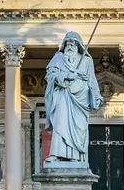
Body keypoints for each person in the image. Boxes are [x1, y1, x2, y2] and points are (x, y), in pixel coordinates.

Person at [44, 32, 103, 162]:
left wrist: (97, 96)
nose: (70, 46)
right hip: (63, 95)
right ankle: (55, 154)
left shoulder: (87, 60)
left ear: (78, 45)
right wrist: (67, 76)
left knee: (78, 128)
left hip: (81, 98)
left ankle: (75, 157)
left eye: (74, 43)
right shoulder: (58, 59)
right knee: (60, 122)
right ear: (64, 45)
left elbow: (92, 80)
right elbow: (50, 76)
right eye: (68, 43)